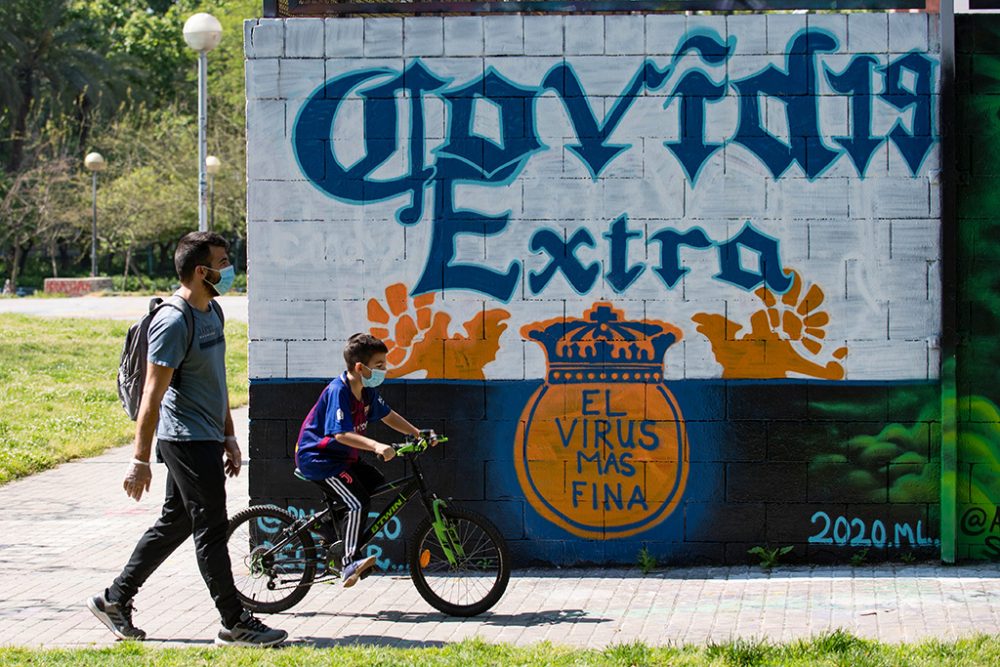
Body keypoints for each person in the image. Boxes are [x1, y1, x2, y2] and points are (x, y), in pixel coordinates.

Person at [88, 231, 286, 647]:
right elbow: (151, 396)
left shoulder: (213, 311)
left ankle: (115, 599)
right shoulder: (173, 321)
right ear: (202, 271)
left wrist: (230, 434)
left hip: (208, 435)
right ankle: (235, 622)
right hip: (185, 439)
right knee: (211, 529)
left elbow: (214, 382)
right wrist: (139, 460)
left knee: (176, 521)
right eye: (223, 260)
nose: (230, 268)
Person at [295, 333, 433, 587]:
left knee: (374, 482)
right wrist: (376, 446)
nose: (385, 370)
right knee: (358, 502)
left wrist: (417, 433)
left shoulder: (367, 392)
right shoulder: (339, 391)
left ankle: (327, 526)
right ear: (360, 368)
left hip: (342, 458)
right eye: (379, 365)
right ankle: (348, 563)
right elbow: (340, 433)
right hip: (320, 459)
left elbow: (388, 415)